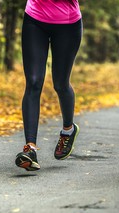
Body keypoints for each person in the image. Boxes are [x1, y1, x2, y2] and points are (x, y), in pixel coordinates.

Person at [15, 0, 83, 171]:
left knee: (60, 84)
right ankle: (30, 149)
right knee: (33, 82)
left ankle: (68, 129)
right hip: (35, 19)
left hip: (68, 24)